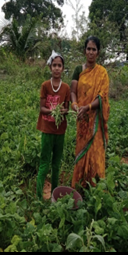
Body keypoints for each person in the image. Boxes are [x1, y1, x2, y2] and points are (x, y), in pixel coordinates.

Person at [70, 36, 110, 190]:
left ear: (98, 53)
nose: (91, 52)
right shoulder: (78, 70)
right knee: (81, 149)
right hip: (82, 119)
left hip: (95, 120)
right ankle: (79, 185)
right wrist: (75, 105)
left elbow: (102, 97)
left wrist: (88, 107)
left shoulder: (102, 73)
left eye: (94, 49)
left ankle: (95, 186)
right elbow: (73, 91)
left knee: (95, 152)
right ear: (84, 51)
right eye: (88, 49)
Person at [36, 50, 71, 200]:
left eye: (60, 65)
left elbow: (67, 109)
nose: (57, 68)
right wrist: (53, 111)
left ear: (63, 68)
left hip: (60, 131)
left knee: (56, 164)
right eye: (54, 65)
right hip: (47, 130)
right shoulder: (45, 85)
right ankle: (39, 197)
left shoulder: (66, 88)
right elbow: (42, 108)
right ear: (50, 67)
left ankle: (54, 195)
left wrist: (62, 111)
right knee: (44, 164)